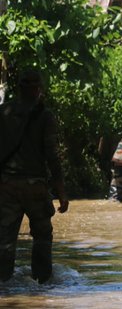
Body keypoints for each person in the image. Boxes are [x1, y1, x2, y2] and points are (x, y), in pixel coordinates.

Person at [0, 69, 69, 284]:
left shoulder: (4, 112)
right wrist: (61, 191)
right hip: (35, 186)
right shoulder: (44, 115)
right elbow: (52, 155)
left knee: (4, 239)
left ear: (18, 87)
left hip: (7, 185)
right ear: (38, 89)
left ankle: (4, 282)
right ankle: (42, 283)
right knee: (42, 236)